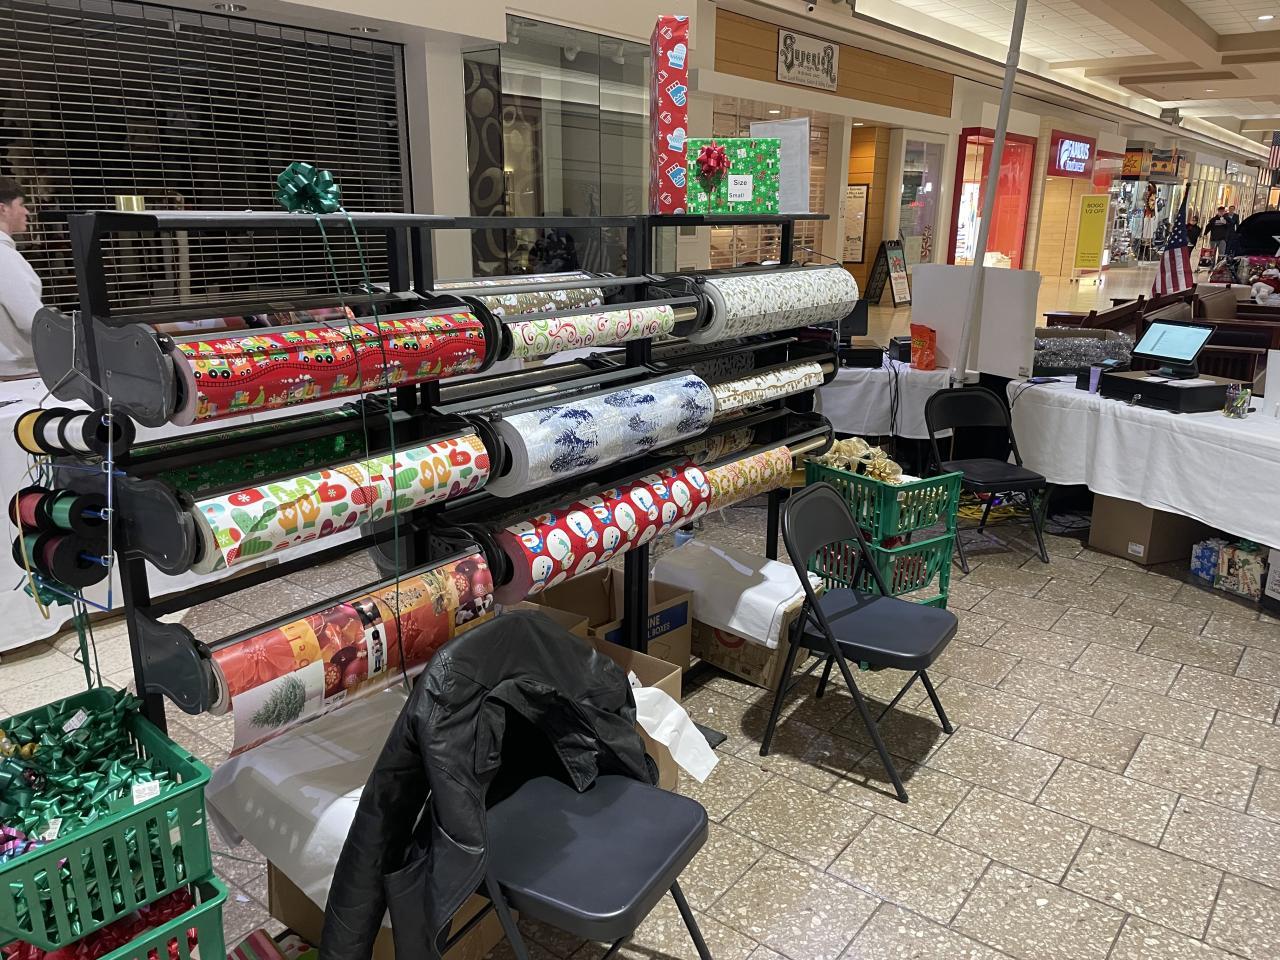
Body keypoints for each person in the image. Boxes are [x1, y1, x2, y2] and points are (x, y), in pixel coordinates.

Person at [0, 177, 42, 379]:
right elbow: (31, 320)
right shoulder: (4, 257)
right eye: (21, 205)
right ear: (3, 209)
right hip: (18, 372)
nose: (27, 212)